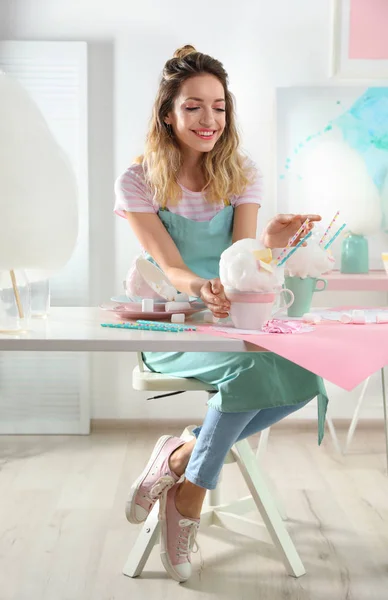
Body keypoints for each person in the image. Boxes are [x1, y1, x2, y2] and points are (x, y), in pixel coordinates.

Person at [114, 45, 328, 583]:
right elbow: (171, 267)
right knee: (250, 369)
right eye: (193, 107)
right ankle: (188, 502)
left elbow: (243, 262)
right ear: (168, 113)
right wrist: (204, 288)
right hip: (174, 317)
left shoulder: (242, 173)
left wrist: (270, 246)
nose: (209, 120)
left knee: (307, 376)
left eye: (219, 107)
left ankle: (183, 459)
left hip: (231, 314)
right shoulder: (138, 180)